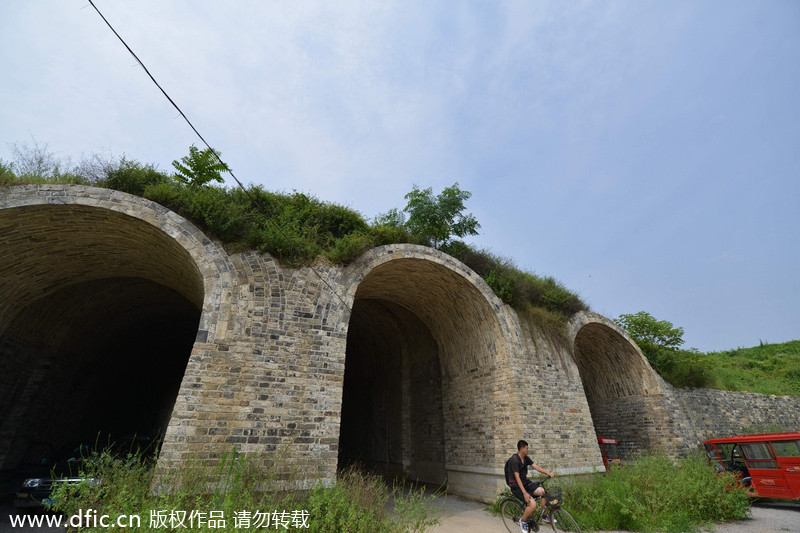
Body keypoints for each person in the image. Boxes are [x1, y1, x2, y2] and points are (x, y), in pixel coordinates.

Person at [505, 439, 554, 532]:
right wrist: (525, 493)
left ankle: (544, 516)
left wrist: (547, 473)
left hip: (525, 483)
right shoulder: (514, 460)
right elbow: (517, 477)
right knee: (533, 504)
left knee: (545, 493)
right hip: (516, 486)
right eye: (527, 448)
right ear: (521, 448)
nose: (528, 450)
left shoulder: (526, 458)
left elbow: (536, 467)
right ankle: (523, 521)